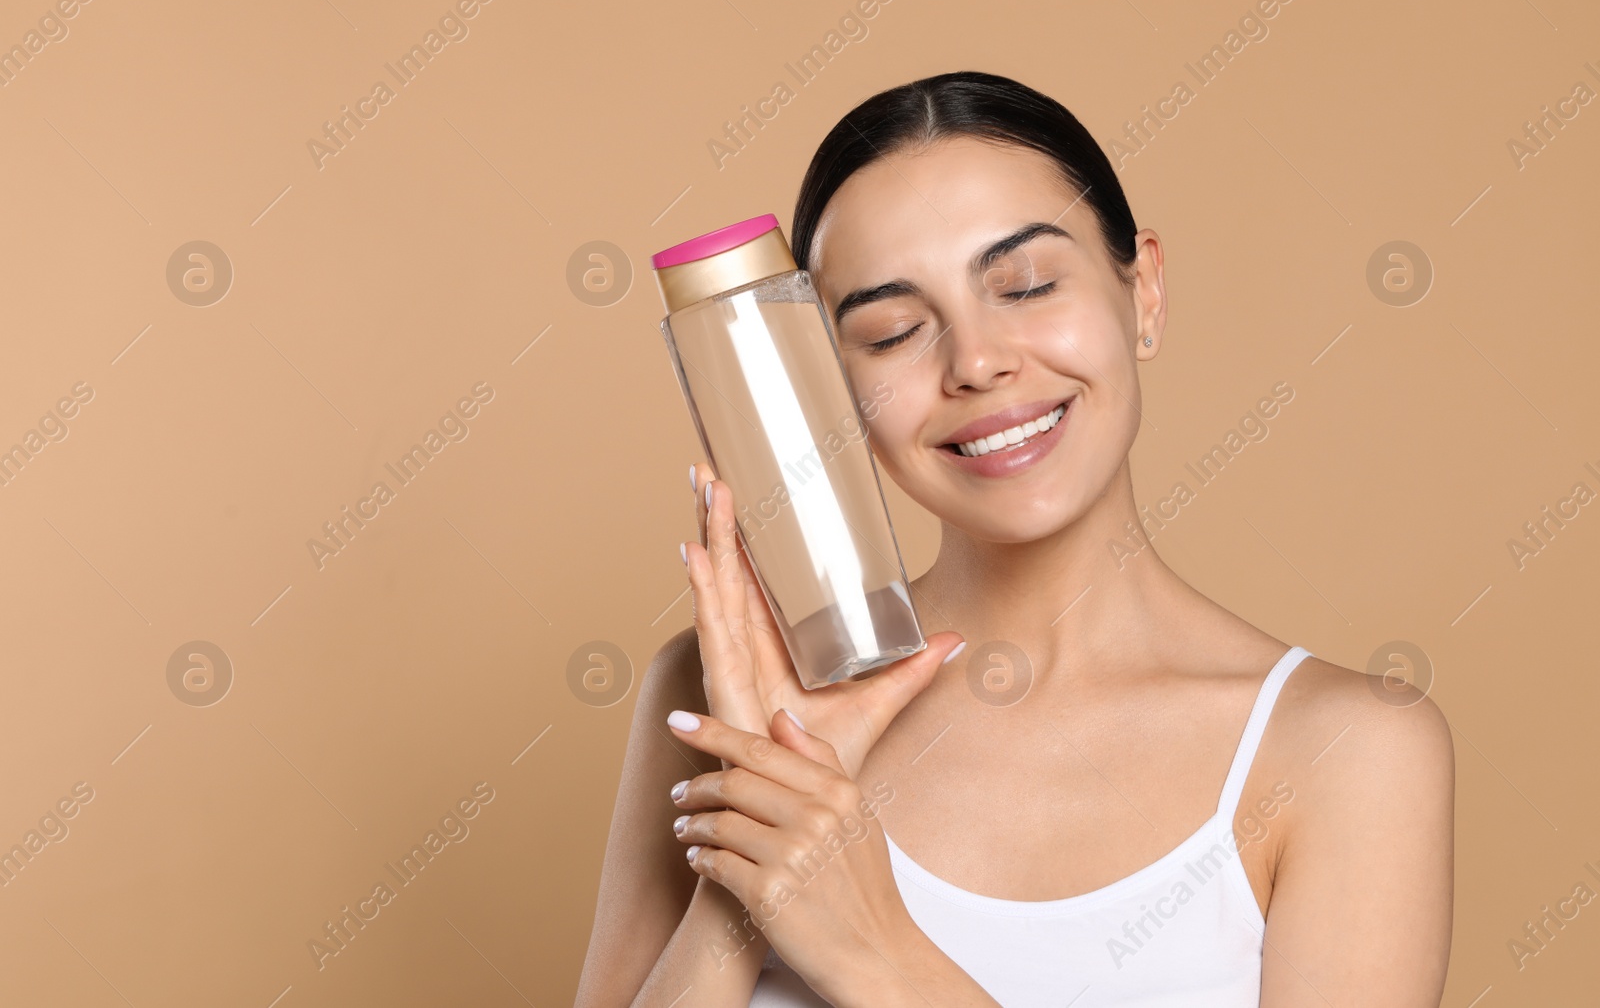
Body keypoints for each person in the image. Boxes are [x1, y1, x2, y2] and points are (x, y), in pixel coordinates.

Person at [576, 70, 1454, 1007]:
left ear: (1144, 289)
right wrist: (755, 855)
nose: (978, 361)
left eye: (1027, 285)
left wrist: (875, 952)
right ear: (829, 390)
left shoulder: (1346, 753)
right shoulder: (724, 695)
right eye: (894, 330)